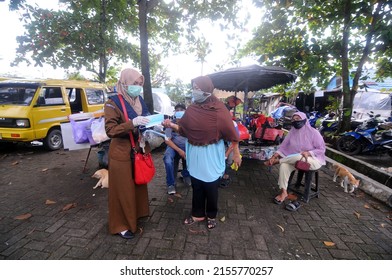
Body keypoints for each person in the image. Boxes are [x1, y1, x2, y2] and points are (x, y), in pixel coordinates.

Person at [162, 75, 242, 229]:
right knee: (197, 185)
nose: (195, 91)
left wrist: (236, 153)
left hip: (211, 153)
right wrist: (171, 125)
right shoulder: (192, 108)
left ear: (207, 89)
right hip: (195, 152)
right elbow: (184, 130)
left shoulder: (219, 109)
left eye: (198, 88)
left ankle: (211, 215)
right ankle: (197, 214)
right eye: (194, 88)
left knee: (211, 187)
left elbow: (232, 134)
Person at [104, 68, 151, 239]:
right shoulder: (113, 102)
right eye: (134, 84)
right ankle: (121, 225)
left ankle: (136, 215)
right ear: (124, 82)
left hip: (138, 150)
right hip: (121, 153)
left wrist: (154, 125)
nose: (137, 87)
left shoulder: (140, 101)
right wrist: (132, 123)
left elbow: (146, 119)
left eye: (140, 84)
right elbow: (110, 130)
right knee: (122, 190)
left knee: (138, 185)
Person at [265, 111, 326, 204]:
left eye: (298, 119)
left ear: (304, 120)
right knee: (284, 165)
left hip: (313, 161)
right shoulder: (292, 132)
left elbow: (321, 149)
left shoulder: (314, 132)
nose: (295, 121)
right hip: (295, 159)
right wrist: (274, 156)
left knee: (298, 155)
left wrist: (309, 153)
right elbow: (283, 146)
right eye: (293, 119)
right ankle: (284, 192)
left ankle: (277, 162)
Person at [163, 103, 191, 195]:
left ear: (185, 111)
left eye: (181, 110)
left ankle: (186, 175)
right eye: (177, 110)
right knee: (168, 160)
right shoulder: (170, 123)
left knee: (191, 156)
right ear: (174, 112)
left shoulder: (190, 122)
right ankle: (171, 183)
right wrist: (179, 150)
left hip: (187, 146)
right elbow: (167, 140)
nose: (179, 112)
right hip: (173, 146)